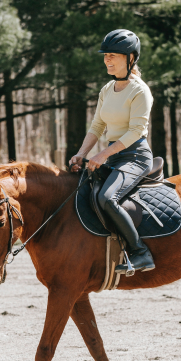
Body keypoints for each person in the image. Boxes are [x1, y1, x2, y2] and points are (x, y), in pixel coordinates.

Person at [69, 29, 155, 273]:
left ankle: (141, 253)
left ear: (130, 58)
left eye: (113, 55)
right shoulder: (107, 89)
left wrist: (101, 155)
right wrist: (82, 153)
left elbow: (135, 132)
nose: (107, 59)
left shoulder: (140, 91)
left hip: (135, 156)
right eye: (105, 55)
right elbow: (97, 125)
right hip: (113, 155)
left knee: (107, 198)